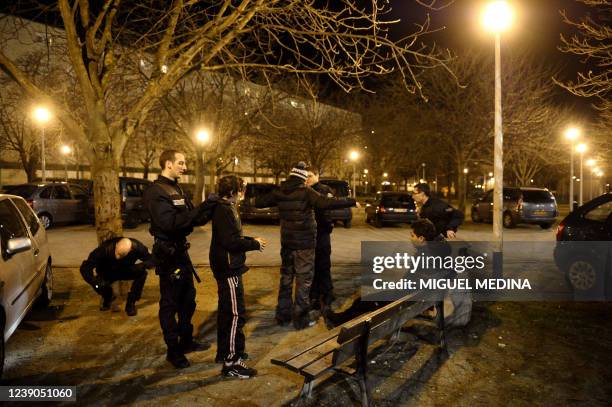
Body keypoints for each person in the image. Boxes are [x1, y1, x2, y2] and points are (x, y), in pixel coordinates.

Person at [255, 162, 356, 329]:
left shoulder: (280, 191)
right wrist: (350, 201)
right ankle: (301, 320)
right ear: (302, 178)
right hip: (305, 244)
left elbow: (259, 202)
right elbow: (326, 203)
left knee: (286, 279)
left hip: (287, 244)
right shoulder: (306, 192)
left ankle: (283, 315)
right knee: (304, 282)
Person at [143, 149, 216, 369]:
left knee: (188, 300)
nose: (185, 167)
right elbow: (171, 223)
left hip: (181, 254)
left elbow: (192, 219)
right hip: (168, 256)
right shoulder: (156, 192)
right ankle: (173, 351)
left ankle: (186, 341)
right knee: (170, 304)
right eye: (181, 163)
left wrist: (213, 206)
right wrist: (202, 208)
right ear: (168, 164)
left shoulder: (176, 188)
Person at [323, 219, 449, 327]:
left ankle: (337, 321)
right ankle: (338, 318)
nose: (410, 238)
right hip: (418, 296)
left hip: (405, 299)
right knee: (365, 299)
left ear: (421, 238)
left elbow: (407, 286)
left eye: (412, 235)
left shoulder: (424, 257)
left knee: (361, 302)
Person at [209, 175, 266, 378]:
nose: (243, 193)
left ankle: (226, 352)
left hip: (227, 266)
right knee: (235, 314)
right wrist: (254, 244)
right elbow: (230, 242)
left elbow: (232, 238)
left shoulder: (224, 207)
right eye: (241, 189)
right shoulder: (225, 209)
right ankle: (232, 362)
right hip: (229, 268)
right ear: (234, 191)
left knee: (227, 312)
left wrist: (251, 240)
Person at [80, 237, 153, 316]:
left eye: (121, 255)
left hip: (125, 270)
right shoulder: (103, 250)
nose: (118, 257)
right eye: (117, 253)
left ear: (131, 250)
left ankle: (131, 302)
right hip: (107, 272)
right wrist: (94, 281)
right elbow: (85, 267)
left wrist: (142, 265)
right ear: (116, 245)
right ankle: (108, 297)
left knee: (142, 274)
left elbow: (152, 259)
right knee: (99, 285)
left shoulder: (137, 247)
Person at [305, 168, 337, 311]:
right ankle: (315, 296)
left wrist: (327, 227)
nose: (308, 179)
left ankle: (327, 295)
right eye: (305, 176)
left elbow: (328, 212)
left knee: (323, 266)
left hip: (321, 234)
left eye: (310, 176)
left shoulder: (323, 190)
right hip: (310, 235)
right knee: (312, 267)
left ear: (317, 175)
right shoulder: (306, 191)